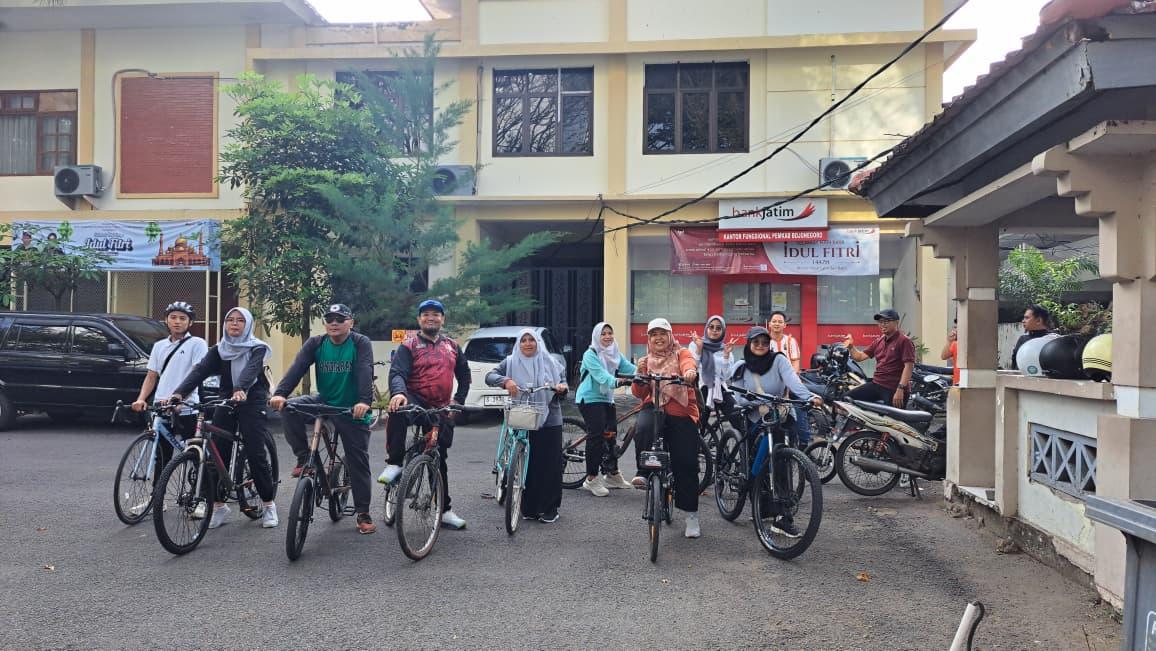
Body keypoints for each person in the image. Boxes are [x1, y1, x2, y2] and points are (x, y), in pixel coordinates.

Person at [269, 304, 376, 535]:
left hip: (351, 408)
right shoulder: (316, 343)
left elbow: (365, 370)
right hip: (324, 401)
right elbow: (297, 368)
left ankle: (362, 512)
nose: (334, 323)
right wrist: (280, 394)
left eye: (340, 318)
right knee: (290, 408)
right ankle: (304, 457)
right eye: (330, 319)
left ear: (351, 323)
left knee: (358, 460)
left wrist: (364, 401)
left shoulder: (360, 343)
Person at [170, 307, 278, 529]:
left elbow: (251, 370)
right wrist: (178, 393)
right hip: (226, 399)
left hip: (252, 398)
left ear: (248, 325)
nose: (235, 324)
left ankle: (268, 505)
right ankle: (218, 506)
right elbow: (199, 371)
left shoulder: (257, 347)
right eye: (230, 320)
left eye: (240, 320)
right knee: (217, 452)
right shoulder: (220, 349)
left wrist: (241, 387)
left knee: (256, 450)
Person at [377, 299, 471, 530]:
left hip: (441, 407)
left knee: (439, 458)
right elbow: (397, 373)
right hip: (415, 399)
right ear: (419, 319)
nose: (431, 318)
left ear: (442, 319)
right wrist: (398, 393)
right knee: (397, 411)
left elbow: (465, 376)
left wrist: (458, 401)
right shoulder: (408, 346)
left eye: (436, 314)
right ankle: (396, 463)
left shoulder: (452, 346)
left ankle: (445, 510)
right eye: (426, 314)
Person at [729, 326, 823, 538]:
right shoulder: (740, 367)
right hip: (753, 418)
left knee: (779, 459)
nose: (761, 346)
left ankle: (782, 517)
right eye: (756, 342)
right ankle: (760, 507)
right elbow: (737, 396)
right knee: (756, 460)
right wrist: (751, 400)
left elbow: (793, 382)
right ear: (749, 344)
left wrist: (808, 398)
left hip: (778, 416)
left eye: (764, 342)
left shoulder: (779, 360)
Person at [128, 301, 208, 505]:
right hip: (162, 406)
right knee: (161, 456)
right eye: (173, 317)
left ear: (190, 322)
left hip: (188, 406)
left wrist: (180, 398)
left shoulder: (197, 344)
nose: (177, 322)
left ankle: (203, 498)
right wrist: (141, 399)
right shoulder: (159, 346)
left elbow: (197, 374)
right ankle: (157, 499)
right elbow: (151, 376)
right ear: (166, 320)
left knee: (195, 454)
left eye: (182, 318)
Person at [485, 329, 569, 522]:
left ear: (538, 342)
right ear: (518, 344)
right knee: (527, 464)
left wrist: (561, 388)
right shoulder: (511, 361)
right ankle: (529, 506)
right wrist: (505, 381)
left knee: (549, 465)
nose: (528, 343)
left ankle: (550, 508)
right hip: (523, 417)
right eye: (524, 340)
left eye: (532, 340)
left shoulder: (550, 361)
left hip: (549, 418)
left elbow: (563, 383)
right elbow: (490, 376)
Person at [629, 318, 702, 539]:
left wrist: (689, 374)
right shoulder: (645, 360)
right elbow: (638, 393)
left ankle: (691, 516)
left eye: (662, 333)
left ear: (670, 336)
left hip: (681, 411)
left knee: (686, 463)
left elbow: (690, 365)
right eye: (653, 334)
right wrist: (640, 377)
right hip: (655, 408)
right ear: (649, 339)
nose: (658, 338)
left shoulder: (681, 354)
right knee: (642, 427)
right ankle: (643, 472)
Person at [573, 321, 637, 496]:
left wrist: (645, 374)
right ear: (597, 336)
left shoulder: (615, 352)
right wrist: (617, 381)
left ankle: (612, 474)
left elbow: (629, 368)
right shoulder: (590, 354)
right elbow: (602, 376)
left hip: (606, 398)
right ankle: (591, 478)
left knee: (611, 436)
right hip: (589, 398)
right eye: (604, 333)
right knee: (597, 435)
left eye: (610, 333)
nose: (608, 336)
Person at [842, 308, 915, 408]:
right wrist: (850, 346)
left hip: (894, 388)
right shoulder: (879, 341)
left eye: (886, 321)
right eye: (880, 322)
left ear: (896, 322)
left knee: (891, 422)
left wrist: (900, 389)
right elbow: (859, 357)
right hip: (877, 384)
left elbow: (909, 367)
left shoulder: (904, 341)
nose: (883, 325)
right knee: (847, 399)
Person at [767, 311, 810, 446]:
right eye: (774, 321)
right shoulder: (764, 341)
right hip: (770, 384)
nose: (777, 324)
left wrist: (789, 381)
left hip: (790, 382)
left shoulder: (791, 341)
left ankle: (803, 443)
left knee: (800, 405)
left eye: (780, 321)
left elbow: (795, 365)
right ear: (769, 324)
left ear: (785, 325)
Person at [1010, 304, 1052, 371]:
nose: (1023, 321)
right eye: (1024, 318)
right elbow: (1015, 363)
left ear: (1038, 320)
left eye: (1027, 318)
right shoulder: (1022, 339)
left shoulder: (1051, 339)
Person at [940, 319, 959, 385]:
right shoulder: (955, 344)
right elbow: (943, 356)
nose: (955, 330)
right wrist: (949, 341)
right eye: (955, 327)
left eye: (957, 327)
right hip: (957, 384)